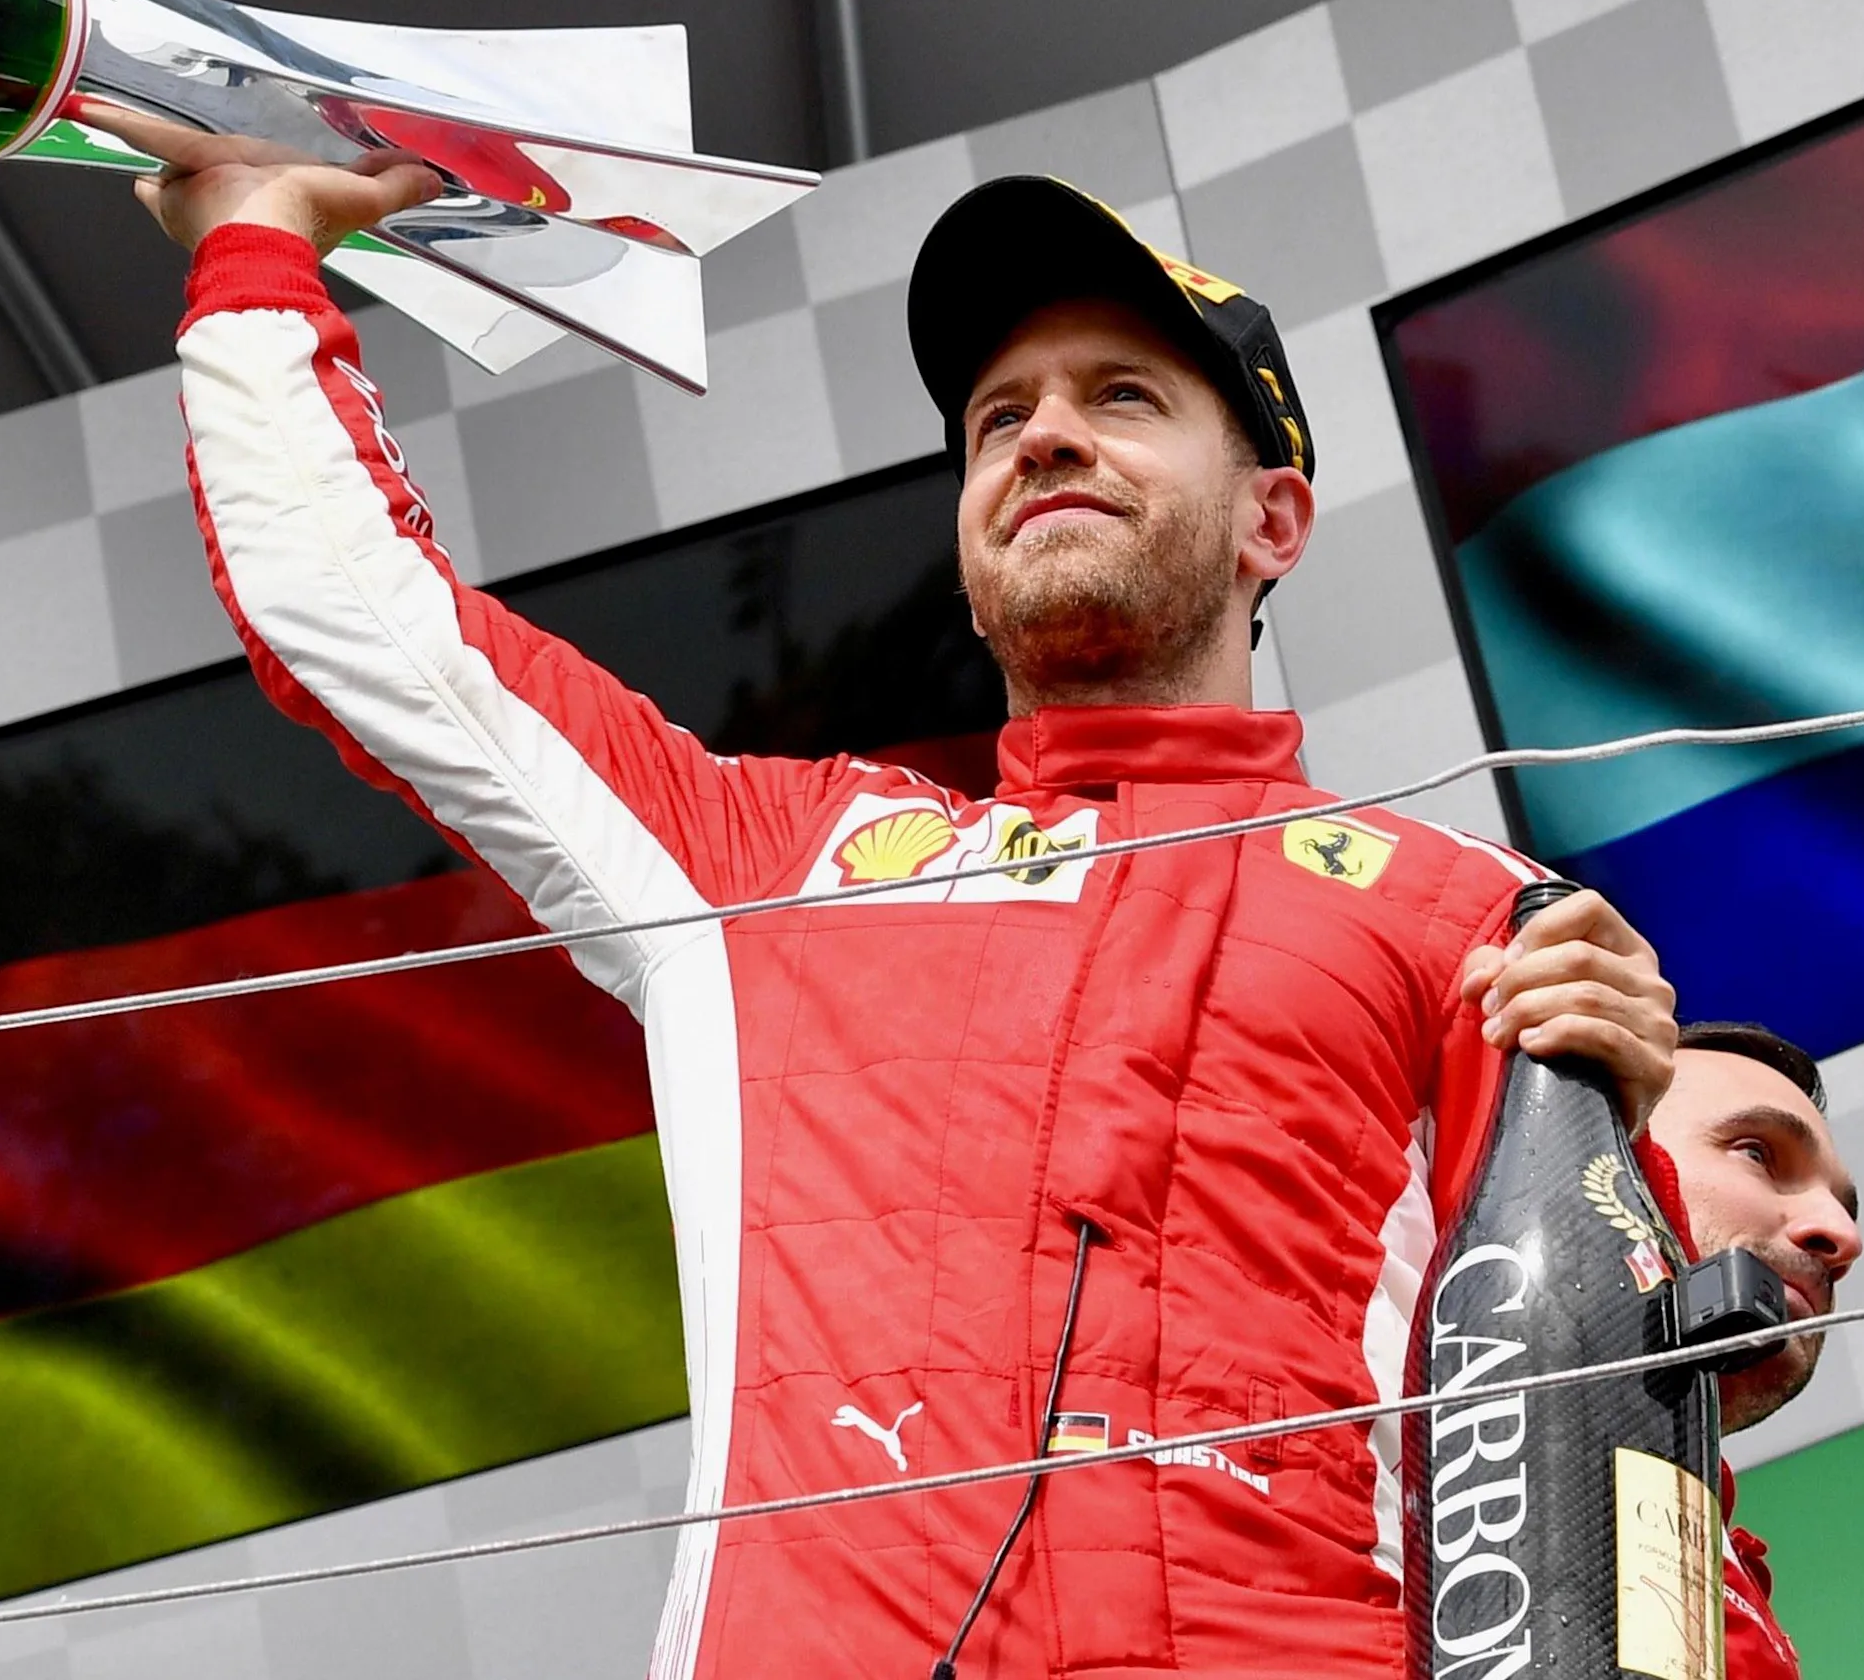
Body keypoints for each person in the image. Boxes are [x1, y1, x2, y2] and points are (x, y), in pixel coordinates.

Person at [103, 105, 1682, 1680]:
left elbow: (1638, 1417)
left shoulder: (1471, 908)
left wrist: (1648, 1177)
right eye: (1000, 422)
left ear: (1274, 519)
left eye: (1122, 397)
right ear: (972, 541)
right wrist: (257, 246)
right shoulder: (763, 864)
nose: (1045, 436)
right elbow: (361, 616)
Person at [1646, 1020, 1863, 1680]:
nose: (1844, 1238)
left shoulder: (1716, 1550)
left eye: (1844, 1205)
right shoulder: (1408, 1434)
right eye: (1758, 1153)